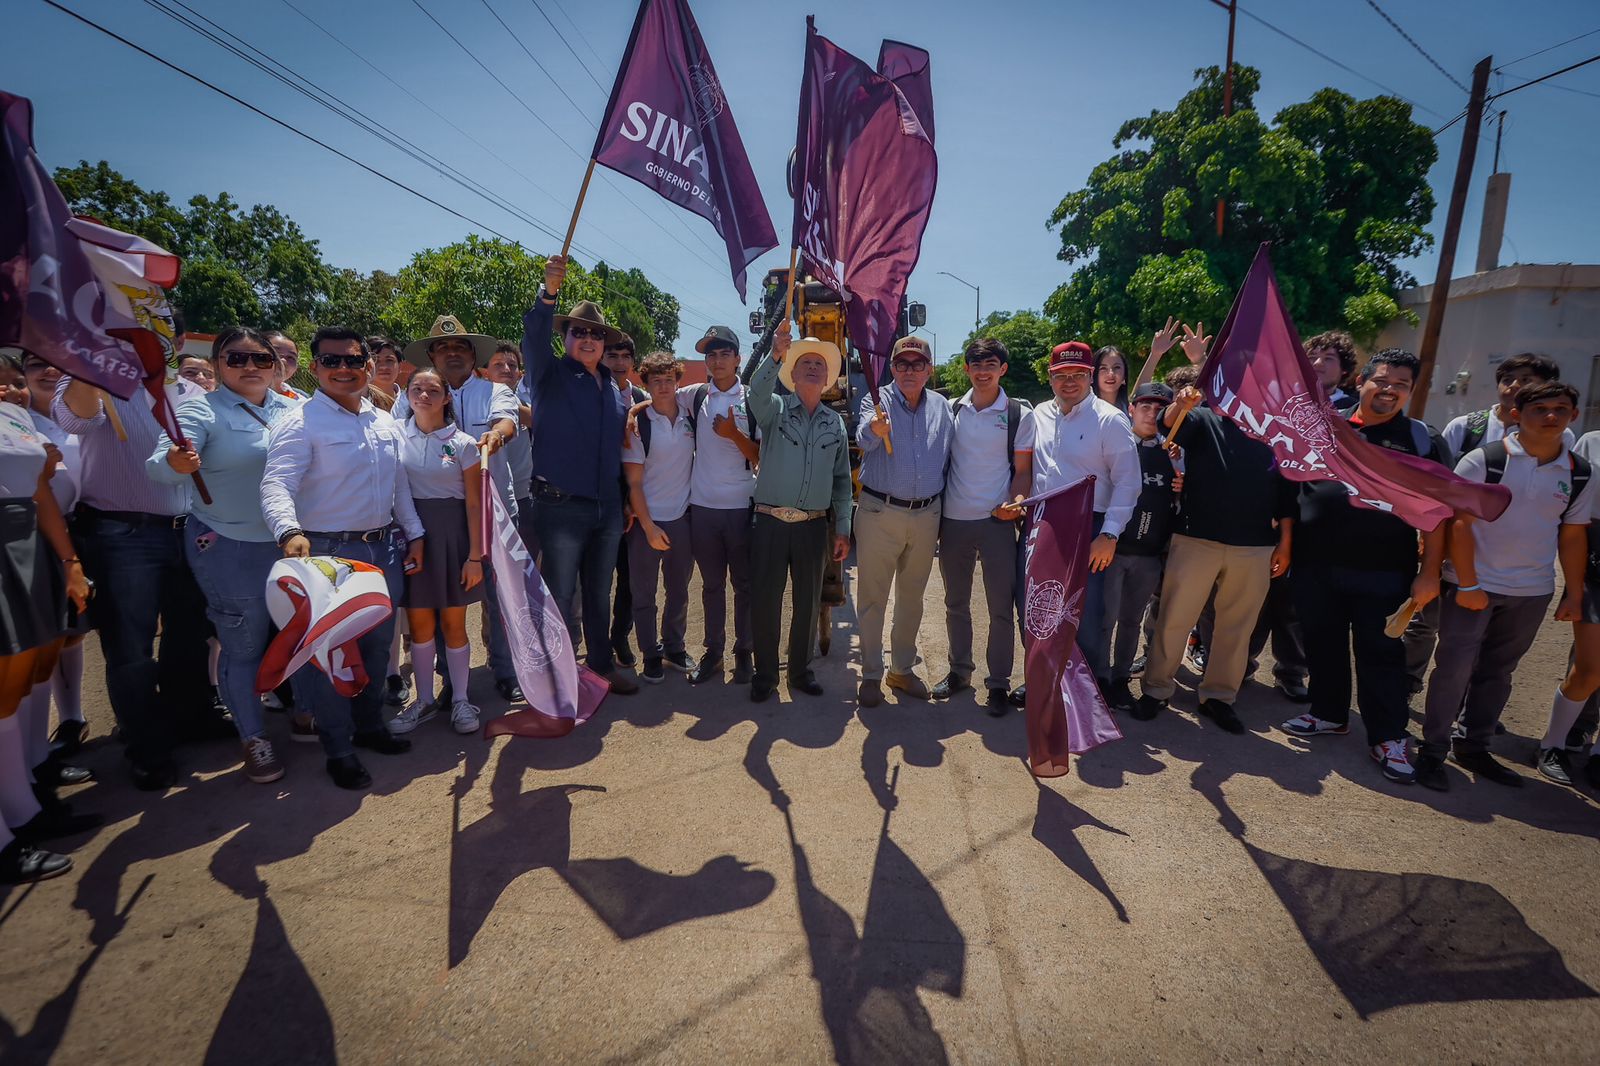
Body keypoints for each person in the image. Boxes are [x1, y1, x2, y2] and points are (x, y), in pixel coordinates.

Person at [260, 327, 422, 789]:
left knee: (376, 647)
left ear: (368, 366)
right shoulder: (300, 421)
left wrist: (415, 533)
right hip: (327, 553)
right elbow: (276, 484)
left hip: (382, 548)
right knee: (330, 654)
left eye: (353, 360)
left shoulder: (382, 419)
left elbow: (399, 487)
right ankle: (339, 747)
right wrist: (289, 531)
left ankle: (369, 726)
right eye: (331, 361)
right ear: (315, 368)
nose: (343, 369)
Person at [1416, 381, 1596, 791]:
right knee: (1454, 668)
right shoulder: (1485, 460)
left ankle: (1474, 746)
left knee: (1499, 671)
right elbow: (1457, 524)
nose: (1551, 416)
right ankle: (1432, 751)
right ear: (1517, 414)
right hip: (1471, 587)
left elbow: (1572, 535)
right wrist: (1468, 583)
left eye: (1561, 409)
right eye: (1540, 409)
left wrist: (1573, 591)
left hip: (1531, 591)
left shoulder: (1582, 474)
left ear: (1574, 415)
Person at [1278, 349, 1446, 784]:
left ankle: (1388, 737)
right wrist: (1289, 546)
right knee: (1322, 645)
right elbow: (1295, 487)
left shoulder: (1422, 440)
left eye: (1401, 385)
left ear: (1410, 392)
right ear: (1362, 382)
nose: (1389, 390)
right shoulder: (1327, 429)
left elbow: (1442, 511)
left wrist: (1429, 572)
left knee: (1381, 654)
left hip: (1384, 571)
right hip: (1316, 566)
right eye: (1382, 380)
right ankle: (1329, 713)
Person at [54, 357, 217, 790]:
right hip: (122, 532)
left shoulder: (189, 392)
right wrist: (93, 354)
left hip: (187, 531)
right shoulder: (96, 382)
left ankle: (189, 720)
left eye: (161, 327)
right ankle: (147, 746)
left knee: (189, 635)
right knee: (131, 649)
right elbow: (74, 415)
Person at [146, 327, 296, 783]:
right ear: (217, 364)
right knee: (243, 645)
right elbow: (159, 468)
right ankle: (254, 738)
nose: (250, 366)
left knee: (298, 634)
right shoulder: (199, 410)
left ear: (276, 365)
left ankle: (305, 713)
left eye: (261, 359)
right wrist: (175, 462)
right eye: (237, 358)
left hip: (291, 543)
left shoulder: (294, 408)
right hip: (228, 546)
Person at [1134, 383, 1297, 733]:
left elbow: (1287, 493)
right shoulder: (1203, 417)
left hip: (1254, 545)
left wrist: (1285, 543)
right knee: (1175, 618)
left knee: (1235, 628)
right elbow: (1167, 424)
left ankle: (1219, 698)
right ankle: (1156, 688)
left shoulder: (1276, 432)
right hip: (1196, 538)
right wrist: (1180, 404)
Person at [520, 254, 638, 694]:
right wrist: (548, 294)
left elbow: (614, 452)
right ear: (566, 338)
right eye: (579, 332)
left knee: (597, 593)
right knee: (559, 594)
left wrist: (623, 499)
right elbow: (534, 335)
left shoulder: (613, 388)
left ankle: (601, 666)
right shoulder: (549, 374)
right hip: (559, 505)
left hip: (606, 507)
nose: (588, 338)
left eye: (595, 334)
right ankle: (556, 674)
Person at [397, 315, 523, 705]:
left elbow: (509, 421)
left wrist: (497, 435)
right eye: (443, 348)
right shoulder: (412, 395)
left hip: (494, 512)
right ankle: (449, 680)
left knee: (500, 597)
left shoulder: (494, 390)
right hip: (434, 520)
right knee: (438, 600)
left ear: (473, 355)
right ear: (433, 355)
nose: (452, 353)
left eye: (460, 347)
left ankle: (506, 670)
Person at [0, 392, 91, 883]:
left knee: (17, 684)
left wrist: (69, 562)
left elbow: (40, 491)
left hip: (26, 543)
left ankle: (25, 803)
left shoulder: (12, 413)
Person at [746, 323, 852, 702]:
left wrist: (843, 528)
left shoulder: (835, 423)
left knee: (808, 603)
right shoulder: (774, 410)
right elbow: (755, 393)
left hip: (812, 527)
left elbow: (842, 481)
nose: (812, 367)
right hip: (770, 522)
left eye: (819, 364)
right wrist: (774, 353)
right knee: (766, 601)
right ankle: (765, 674)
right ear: (791, 373)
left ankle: (800, 670)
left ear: (828, 378)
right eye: (804, 362)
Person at [1026, 341, 1140, 694]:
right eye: (1062, 374)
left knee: (1085, 616)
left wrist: (1109, 534)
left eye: (1078, 374)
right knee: (1039, 609)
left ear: (1091, 376)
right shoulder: (1039, 415)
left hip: (1090, 528)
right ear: (1050, 377)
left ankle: (1086, 695)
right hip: (1043, 525)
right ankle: (1043, 683)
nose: (1070, 381)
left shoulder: (1111, 420)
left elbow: (1128, 482)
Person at [935, 337, 1033, 715]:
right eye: (976, 364)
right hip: (954, 521)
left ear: (1002, 369)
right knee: (955, 603)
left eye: (990, 364)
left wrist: (1017, 504)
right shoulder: (952, 410)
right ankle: (959, 672)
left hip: (996, 522)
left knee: (1000, 609)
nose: (982, 370)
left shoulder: (1017, 415)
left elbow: (1023, 472)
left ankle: (998, 683)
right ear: (966, 369)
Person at [854, 335, 954, 707]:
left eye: (917, 364)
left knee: (912, 598)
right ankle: (869, 674)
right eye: (902, 364)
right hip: (880, 512)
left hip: (927, 514)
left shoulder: (944, 408)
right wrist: (874, 431)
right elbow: (864, 437)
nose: (909, 371)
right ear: (892, 369)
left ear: (929, 369)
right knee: (872, 598)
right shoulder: (875, 401)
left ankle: (900, 670)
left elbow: (951, 460)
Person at [388, 369, 486, 735]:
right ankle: (424, 700)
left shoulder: (463, 443)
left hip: (453, 538)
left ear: (447, 397)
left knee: (453, 623)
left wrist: (475, 556)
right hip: (410, 537)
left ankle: (460, 699)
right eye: (417, 389)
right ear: (408, 395)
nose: (424, 395)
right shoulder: (394, 435)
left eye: (433, 389)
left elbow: (475, 505)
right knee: (420, 625)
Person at [682, 325, 761, 686]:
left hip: (741, 506)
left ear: (738, 358)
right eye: (710, 355)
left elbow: (760, 456)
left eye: (723, 353)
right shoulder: (696, 396)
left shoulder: (753, 400)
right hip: (703, 509)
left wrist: (733, 434)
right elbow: (657, 396)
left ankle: (744, 653)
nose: (717, 361)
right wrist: (635, 412)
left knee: (744, 585)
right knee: (711, 586)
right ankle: (713, 652)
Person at [17, 354, 87, 753]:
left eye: (57, 364)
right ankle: (46, 738)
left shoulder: (82, 415)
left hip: (83, 528)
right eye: (34, 365)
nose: (48, 372)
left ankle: (71, 717)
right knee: (44, 638)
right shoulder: (19, 423)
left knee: (73, 633)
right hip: (36, 537)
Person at [1099, 382, 1181, 712]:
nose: (1152, 413)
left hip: (1148, 556)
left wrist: (1183, 483)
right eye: (1145, 406)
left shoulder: (1175, 454)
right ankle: (1099, 679)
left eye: (1160, 408)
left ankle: (1120, 680)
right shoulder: (1115, 445)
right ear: (1131, 409)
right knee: (1105, 619)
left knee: (1132, 621)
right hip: (1112, 551)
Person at [622, 352, 696, 683]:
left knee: (679, 590)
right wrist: (649, 526)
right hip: (645, 522)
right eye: (656, 381)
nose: (664, 386)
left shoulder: (691, 416)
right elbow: (634, 482)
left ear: (678, 382)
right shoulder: (639, 427)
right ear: (647, 384)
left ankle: (674, 646)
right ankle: (649, 653)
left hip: (682, 519)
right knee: (644, 594)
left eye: (669, 380)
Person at [1538, 427, 1600, 787]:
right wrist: (1574, 586)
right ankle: (1552, 745)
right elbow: (1574, 519)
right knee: (1589, 670)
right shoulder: (1592, 441)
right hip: (1597, 566)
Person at [602, 334, 648, 671]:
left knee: (630, 578)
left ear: (632, 361)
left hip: (634, 500)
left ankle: (620, 636)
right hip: (601, 500)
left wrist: (635, 501)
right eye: (612, 356)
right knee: (598, 578)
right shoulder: (592, 393)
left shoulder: (643, 398)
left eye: (624, 356)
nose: (618, 362)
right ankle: (597, 643)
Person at [1441, 352, 1568, 458]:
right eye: (1507, 380)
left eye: (1525, 380)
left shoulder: (1558, 432)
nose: (1513, 386)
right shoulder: (1462, 427)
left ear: (1546, 388)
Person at [484, 341, 537, 555]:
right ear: (484, 371)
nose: (506, 369)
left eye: (512, 365)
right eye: (498, 364)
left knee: (527, 559)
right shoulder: (477, 399)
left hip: (524, 494)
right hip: (488, 497)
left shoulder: (526, 400)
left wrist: (505, 402)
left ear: (520, 372)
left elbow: (538, 420)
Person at [1304, 330, 1359, 410]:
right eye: (1312, 357)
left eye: (1328, 359)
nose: (1317, 363)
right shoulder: (1283, 401)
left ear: (1344, 369)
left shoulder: (1352, 411)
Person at [264, 330, 309, 402]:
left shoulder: (303, 399)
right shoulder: (241, 397)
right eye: (275, 353)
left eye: (291, 357)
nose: (283, 361)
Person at [366, 335, 404, 412]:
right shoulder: (357, 403)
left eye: (389, 360)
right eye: (376, 360)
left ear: (400, 366)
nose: (383, 367)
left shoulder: (411, 401)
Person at [1092, 345, 1129, 413]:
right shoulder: (1085, 410)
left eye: (1117, 367)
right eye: (1103, 368)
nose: (1111, 374)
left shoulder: (1129, 411)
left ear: (1125, 375)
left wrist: (1154, 355)